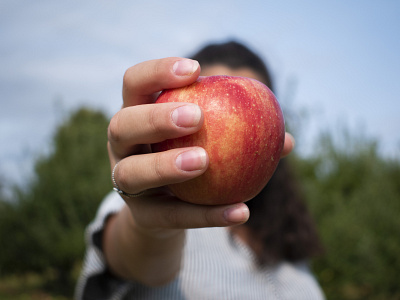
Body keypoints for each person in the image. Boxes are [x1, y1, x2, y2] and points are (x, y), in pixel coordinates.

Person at [75, 41, 325, 299]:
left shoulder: (287, 247)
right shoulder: (144, 204)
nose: (238, 138)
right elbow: (137, 258)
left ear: (272, 133)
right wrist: (151, 228)